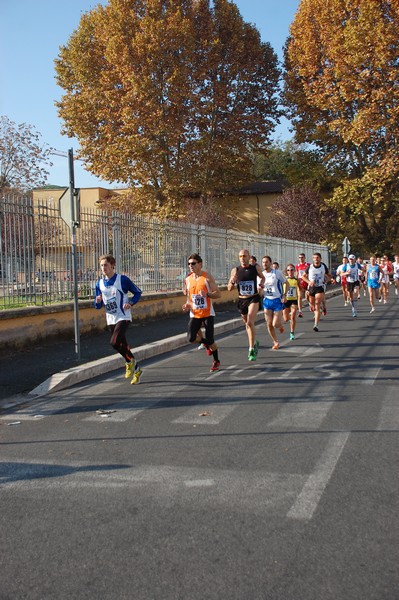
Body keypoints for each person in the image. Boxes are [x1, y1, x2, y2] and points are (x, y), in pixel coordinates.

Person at [94, 254, 143, 384]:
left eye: (106, 265)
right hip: (110, 318)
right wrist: (97, 300)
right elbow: (98, 306)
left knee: (114, 342)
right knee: (123, 346)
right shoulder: (99, 284)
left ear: (112, 266)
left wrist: (130, 303)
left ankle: (129, 362)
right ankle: (137, 369)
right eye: (101, 266)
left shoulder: (122, 280)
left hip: (123, 315)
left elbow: (138, 292)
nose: (103, 268)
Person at [182, 253, 221, 372]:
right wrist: (187, 304)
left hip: (208, 313)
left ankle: (216, 361)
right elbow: (189, 297)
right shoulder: (188, 279)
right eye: (189, 264)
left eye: (193, 263)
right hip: (195, 313)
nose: (190, 266)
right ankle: (206, 343)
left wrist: (207, 294)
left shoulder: (207, 277)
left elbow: (218, 294)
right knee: (190, 338)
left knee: (210, 339)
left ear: (200, 264)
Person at [228, 249, 264, 361]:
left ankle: (251, 349)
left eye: (244, 256)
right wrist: (232, 281)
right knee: (247, 325)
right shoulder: (235, 270)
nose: (242, 258)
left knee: (250, 322)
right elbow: (229, 288)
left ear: (249, 257)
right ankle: (254, 342)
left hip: (253, 298)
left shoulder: (255, 268)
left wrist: (261, 285)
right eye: (240, 256)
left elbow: (263, 277)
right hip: (242, 300)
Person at [301, 252, 332, 332]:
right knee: (312, 305)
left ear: (320, 259)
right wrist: (308, 282)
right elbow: (303, 276)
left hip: (320, 287)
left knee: (317, 303)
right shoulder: (309, 267)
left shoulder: (323, 266)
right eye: (314, 258)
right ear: (312, 259)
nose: (316, 259)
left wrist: (330, 279)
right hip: (311, 288)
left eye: (317, 257)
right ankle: (316, 308)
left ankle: (316, 324)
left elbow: (329, 275)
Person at [261, 255, 286, 349]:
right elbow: (258, 289)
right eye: (263, 262)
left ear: (270, 263)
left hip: (277, 300)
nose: (264, 264)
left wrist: (284, 294)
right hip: (267, 301)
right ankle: (275, 342)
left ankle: (280, 326)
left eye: (266, 262)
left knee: (275, 324)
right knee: (269, 323)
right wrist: (259, 289)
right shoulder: (261, 275)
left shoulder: (277, 273)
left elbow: (285, 283)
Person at [283, 264, 299, 340]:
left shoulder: (296, 280)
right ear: (286, 271)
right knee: (286, 319)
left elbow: (300, 289)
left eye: (292, 270)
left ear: (294, 271)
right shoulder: (284, 280)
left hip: (294, 300)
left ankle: (292, 332)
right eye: (288, 270)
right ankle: (289, 319)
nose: (290, 271)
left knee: (293, 315)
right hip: (286, 300)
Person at [295, 253, 311, 317]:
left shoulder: (308, 265)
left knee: (308, 297)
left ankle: (311, 304)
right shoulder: (297, 266)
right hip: (300, 283)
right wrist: (296, 280)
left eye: (302, 257)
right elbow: (297, 274)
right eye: (299, 257)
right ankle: (300, 311)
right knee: (299, 297)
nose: (301, 259)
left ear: (304, 258)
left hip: (307, 283)